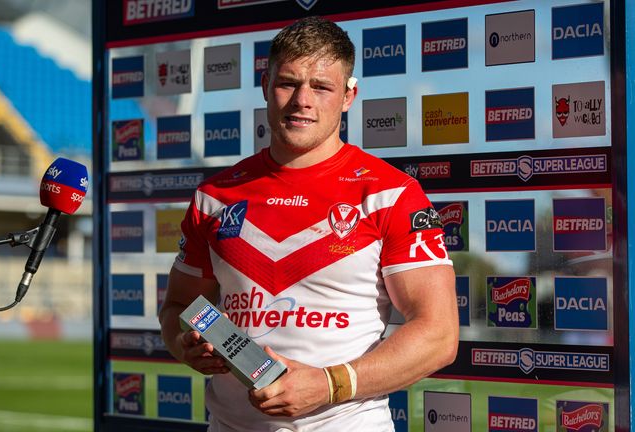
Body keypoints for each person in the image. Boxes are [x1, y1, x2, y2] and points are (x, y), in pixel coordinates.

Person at [159, 16, 458, 432]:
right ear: (266, 85)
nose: (303, 100)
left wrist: (328, 384)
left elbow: (439, 335)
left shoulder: (391, 194)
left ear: (349, 95)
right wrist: (184, 344)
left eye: (321, 87)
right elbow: (178, 307)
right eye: (288, 83)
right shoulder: (215, 196)